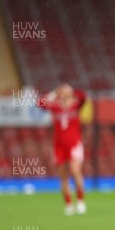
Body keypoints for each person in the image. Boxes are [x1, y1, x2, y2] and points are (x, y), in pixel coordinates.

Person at [38, 84, 87, 215]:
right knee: (63, 176)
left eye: (67, 92)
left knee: (75, 171)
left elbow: (83, 96)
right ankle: (69, 204)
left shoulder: (76, 105)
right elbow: (39, 103)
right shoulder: (55, 107)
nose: (64, 95)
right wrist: (53, 93)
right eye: (62, 92)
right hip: (59, 146)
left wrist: (71, 92)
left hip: (74, 144)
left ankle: (81, 201)